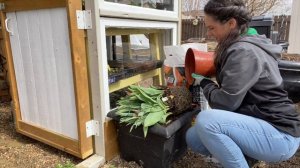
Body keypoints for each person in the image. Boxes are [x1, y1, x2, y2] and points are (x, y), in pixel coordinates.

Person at [185, 0, 300, 168]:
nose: (209, 34)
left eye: (211, 28)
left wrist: (205, 83)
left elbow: (225, 103)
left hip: (280, 134)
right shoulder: (244, 44)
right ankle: (246, 159)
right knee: (193, 137)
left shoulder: (243, 51)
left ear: (231, 23)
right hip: (262, 123)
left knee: (207, 121)